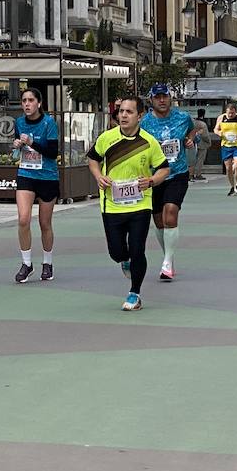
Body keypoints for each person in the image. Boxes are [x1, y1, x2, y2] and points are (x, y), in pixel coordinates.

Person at [86, 95, 170, 312]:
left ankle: (135, 294)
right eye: (121, 111)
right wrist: (98, 176)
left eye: (129, 112)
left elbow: (164, 169)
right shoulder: (107, 138)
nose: (123, 115)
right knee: (116, 251)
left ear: (139, 116)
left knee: (137, 249)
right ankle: (124, 261)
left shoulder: (149, 142)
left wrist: (151, 180)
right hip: (112, 204)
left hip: (140, 205)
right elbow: (93, 158)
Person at [139, 82, 195, 281]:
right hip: (153, 177)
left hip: (177, 173)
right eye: (157, 97)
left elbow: (192, 130)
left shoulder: (182, 117)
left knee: (170, 213)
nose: (162, 100)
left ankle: (167, 263)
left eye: (165, 96)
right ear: (151, 100)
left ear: (170, 98)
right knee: (159, 221)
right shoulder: (144, 123)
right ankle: (168, 256)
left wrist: (190, 140)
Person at [12, 88, 59, 283]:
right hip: (26, 174)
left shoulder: (49, 123)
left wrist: (32, 142)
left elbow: (53, 152)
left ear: (39, 103)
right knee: (23, 219)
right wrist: (16, 146)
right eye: (24, 100)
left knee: (44, 223)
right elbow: (17, 151)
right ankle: (26, 263)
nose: (27, 104)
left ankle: (47, 263)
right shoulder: (19, 122)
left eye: (31, 100)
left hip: (47, 176)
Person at [214, 102, 237, 195]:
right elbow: (215, 129)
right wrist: (220, 133)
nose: (230, 115)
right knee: (228, 168)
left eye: (232, 113)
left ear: (235, 112)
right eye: (229, 113)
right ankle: (232, 186)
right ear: (226, 111)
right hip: (226, 145)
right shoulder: (221, 118)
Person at [190, 109, 211, 181]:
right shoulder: (203, 124)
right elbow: (205, 135)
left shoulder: (193, 122)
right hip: (202, 144)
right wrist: (209, 142)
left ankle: (191, 174)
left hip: (192, 143)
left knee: (192, 159)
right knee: (200, 159)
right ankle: (198, 174)